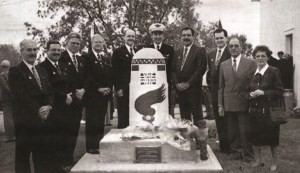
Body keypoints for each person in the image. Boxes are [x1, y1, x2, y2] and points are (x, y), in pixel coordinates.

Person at [8, 39, 54, 173]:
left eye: (35, 49)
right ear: (21, 52)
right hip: (25, 123)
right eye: (29, 50)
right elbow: (21, 96)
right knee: (23, 159)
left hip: (42, 123)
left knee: (42, 158)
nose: (32, 53)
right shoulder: (15, 71)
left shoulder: (41, 70)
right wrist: (38, 110)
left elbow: (50, 92)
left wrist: (49, 107)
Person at [218, 36, 257, 161]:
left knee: (245, 131)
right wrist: (220, 105)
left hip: (244, 102)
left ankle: (248, 154)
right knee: (232, 131)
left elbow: (254, 84)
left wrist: (252, 102)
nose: (233, 48)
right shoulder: (223, 65)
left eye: (236, 46)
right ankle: (235, 153)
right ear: (228, 48)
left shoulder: (251, 63)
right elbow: (221, 87)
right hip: (228, 103)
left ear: (241, 47)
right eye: (231, 46)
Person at [38, 40, 72, 172]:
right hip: (53, 109)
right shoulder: (42, 67)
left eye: (59, 50)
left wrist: (70, 95)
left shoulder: (63, 65)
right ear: (47, 51)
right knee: (53, 141)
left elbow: (68, 83)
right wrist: (64, 97)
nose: (57, 52)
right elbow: (48, 88)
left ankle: (60, 166)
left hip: (66, 109)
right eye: (53, 50)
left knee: (63, 139)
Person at [249, 45, 283, 171]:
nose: (260, 58)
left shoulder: (274, 71)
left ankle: (274, 162)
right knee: (255, 138)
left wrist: (264, 92)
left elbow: (279, 91)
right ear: (254, 58)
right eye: (257, 56)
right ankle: (258, 160)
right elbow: (246, 90)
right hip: (254, 111)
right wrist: (250, 95)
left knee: (272, 139)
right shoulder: (252, 73)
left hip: (269, 112)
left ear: (268, 57)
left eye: (263, 56)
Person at [58, 32, 88, 169]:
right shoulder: (60, 58)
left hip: (78, 102)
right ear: (67, 43)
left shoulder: (81, 60)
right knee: (64, 132)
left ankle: (69, 160)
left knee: (74, 131)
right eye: (73, 43)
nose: (75, 46)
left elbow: (87, 78)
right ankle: (63, 161)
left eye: (77, 43)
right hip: (66, 102)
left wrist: (83, 90)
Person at [84, 34, 113, 154]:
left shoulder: (105, 58)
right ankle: (91, 147)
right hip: (92, 96)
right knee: (92, 122)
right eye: (96, 42)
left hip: (104, 96)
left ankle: (98, 144)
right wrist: (98, 88)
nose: (99, 44)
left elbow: (110, 75)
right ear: (92, 43)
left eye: (101, 42)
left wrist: (108, 88)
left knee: (101, 121)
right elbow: (87, 77)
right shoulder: (86, 58)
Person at [172, 27, 207, 124]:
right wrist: (177, 84)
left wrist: (188, 83)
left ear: (193, 37)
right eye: (184, 35)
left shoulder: (200, 50)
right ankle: (187, 139)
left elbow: (200, 69)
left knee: (198, 119)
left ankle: (200, 138)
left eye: (188, 35)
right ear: (181, 37)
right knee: (184, 120)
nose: (186, 37)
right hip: (181, 91)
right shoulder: (176, 52)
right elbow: (173, 70)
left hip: (194, 90)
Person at [206, 28, 231, 153]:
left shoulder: (231, 52)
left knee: (228, 119)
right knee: (219, 119)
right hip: (215, 93)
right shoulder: (211, 54)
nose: (219, 40)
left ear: (226, 38)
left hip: (228, 93)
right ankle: (223, 146)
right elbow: (210, 74)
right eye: (217, 38)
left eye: (221, 38)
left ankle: (231, 146)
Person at [112, 29, 139, 128]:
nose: (131, 38)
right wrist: (118, 88)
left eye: (133, 36)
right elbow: (115, 72)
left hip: (136, 90)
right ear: (124, 38)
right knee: (123, 115)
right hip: (123, 89)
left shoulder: (138, 52)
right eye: (129, 36)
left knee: (135, 113)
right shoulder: (118, 52)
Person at [148, 23, 175, 116]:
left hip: (166, 85)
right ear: (151, 36)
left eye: (160, 34)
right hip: (151, 84)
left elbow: (172, 68)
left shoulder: (170, 49)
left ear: (163, 36)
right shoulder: (147, 49)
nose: (157, 36)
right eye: (155, 34)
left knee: (166, 109)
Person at [0, 60, 15, 142]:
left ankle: (10, 136)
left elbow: (6, 87)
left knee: (7, 117)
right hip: (13, 98)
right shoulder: (12, 74)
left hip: (6, 99)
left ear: (2, 66)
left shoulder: (2, 75)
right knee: (12, 116)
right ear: (9, 66)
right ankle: (14, 134)